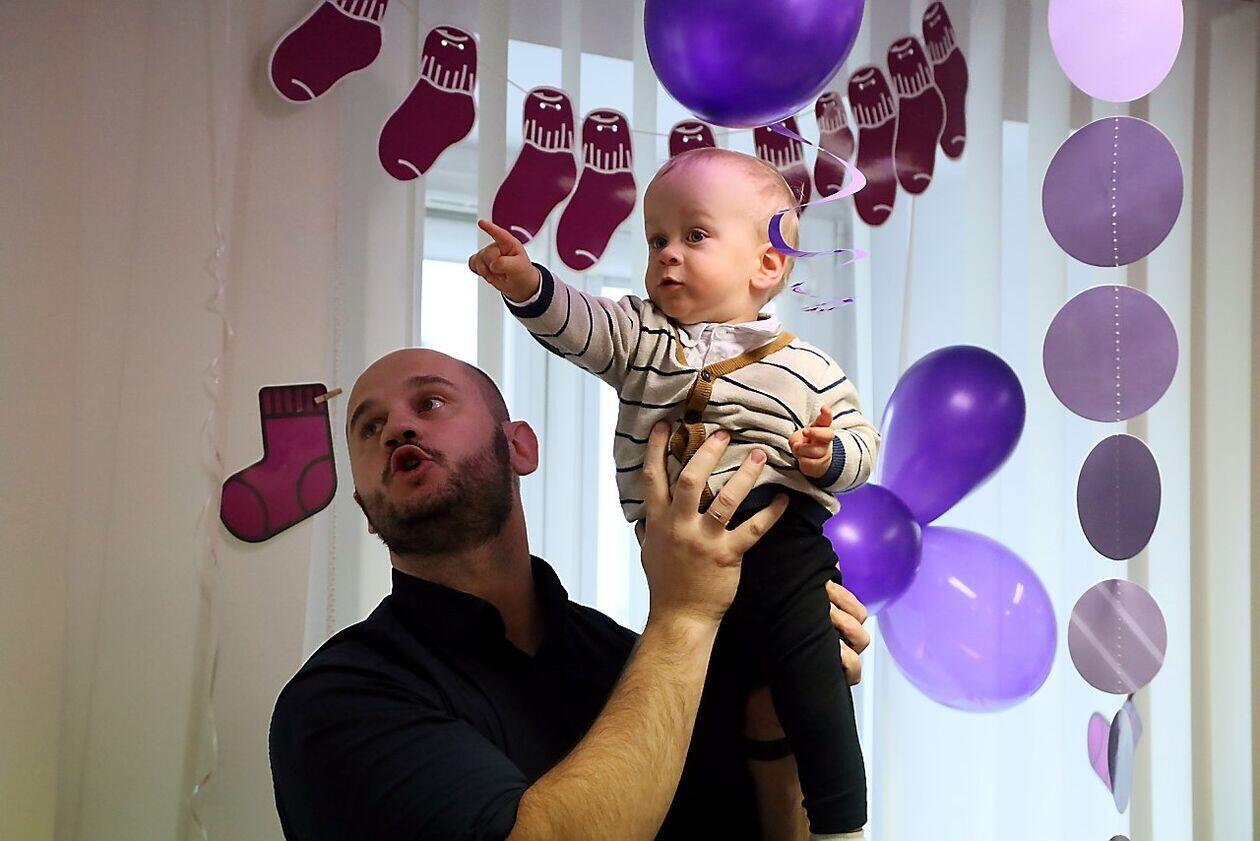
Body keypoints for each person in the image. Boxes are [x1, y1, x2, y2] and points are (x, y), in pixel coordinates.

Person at [269, 347, 873, 841]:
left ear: (520, 447)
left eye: (429, 403)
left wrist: (771, 718)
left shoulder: (628, 660)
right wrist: (686, 614)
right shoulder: (336, 702)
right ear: (365, 509)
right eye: (369, 427)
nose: (397, 429)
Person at [468, 146, 881, 839]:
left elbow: (862, 443)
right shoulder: (642, 339)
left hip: (778, 541)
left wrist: (828, 453)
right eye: (656, 239)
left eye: (694, 235)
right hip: (680, 551)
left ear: (766, 264)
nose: (667, 254)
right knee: (697, 709)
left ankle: (841, 824)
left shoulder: (807, 367)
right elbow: (580, 323)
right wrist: (527, 284)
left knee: (812, 679)